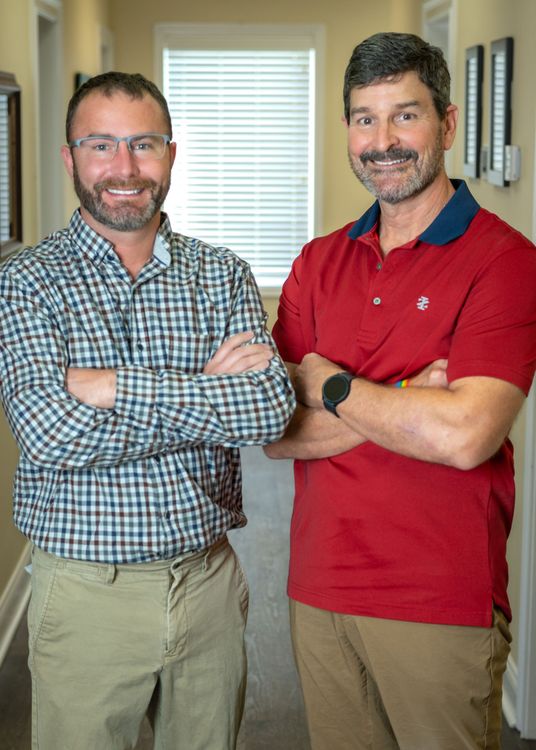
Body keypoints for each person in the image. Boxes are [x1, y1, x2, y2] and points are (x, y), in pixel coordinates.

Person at [0, 71, 294, 750]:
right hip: (85, 594)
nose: (125, 168)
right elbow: (48, 434)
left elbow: (266, 410)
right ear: (71, 157)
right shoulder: (28, 280)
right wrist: (201, 387)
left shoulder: (222, 273)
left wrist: (113, 386)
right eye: (101, 146)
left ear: (171, 152)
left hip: (209, 583)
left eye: (144, 144)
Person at [265, 32, 536, 750]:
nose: (382, 141)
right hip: (319, 587)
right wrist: (409, 392)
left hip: (439, 600)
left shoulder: (505, 262)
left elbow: (465, 435)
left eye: (404, 115)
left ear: (446, 124)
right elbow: (275, 431)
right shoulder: (318, 263)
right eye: (364, 118)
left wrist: (330, 385)